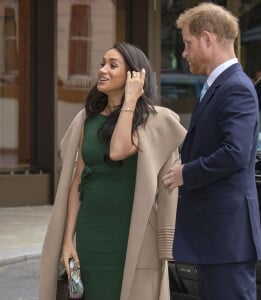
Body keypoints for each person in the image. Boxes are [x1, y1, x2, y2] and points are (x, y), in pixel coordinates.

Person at [39, 42, 186, 300]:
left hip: (132, 232)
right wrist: (67, 239)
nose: (102, 70)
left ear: (134, 76)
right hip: (91, 229)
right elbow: (77, 182)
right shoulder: (88, 119)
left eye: (112, 65)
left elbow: (118, 150)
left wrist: (129, 100)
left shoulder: (151, 121)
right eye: (102, 64)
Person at [162, 3, 261, 300]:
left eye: (188, 44)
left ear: (208, 39)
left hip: (227, 240)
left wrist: (186, 173)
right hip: (218, 240)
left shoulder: (236, 87)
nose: (184, 53)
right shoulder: (221, 84)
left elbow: (236, 153)